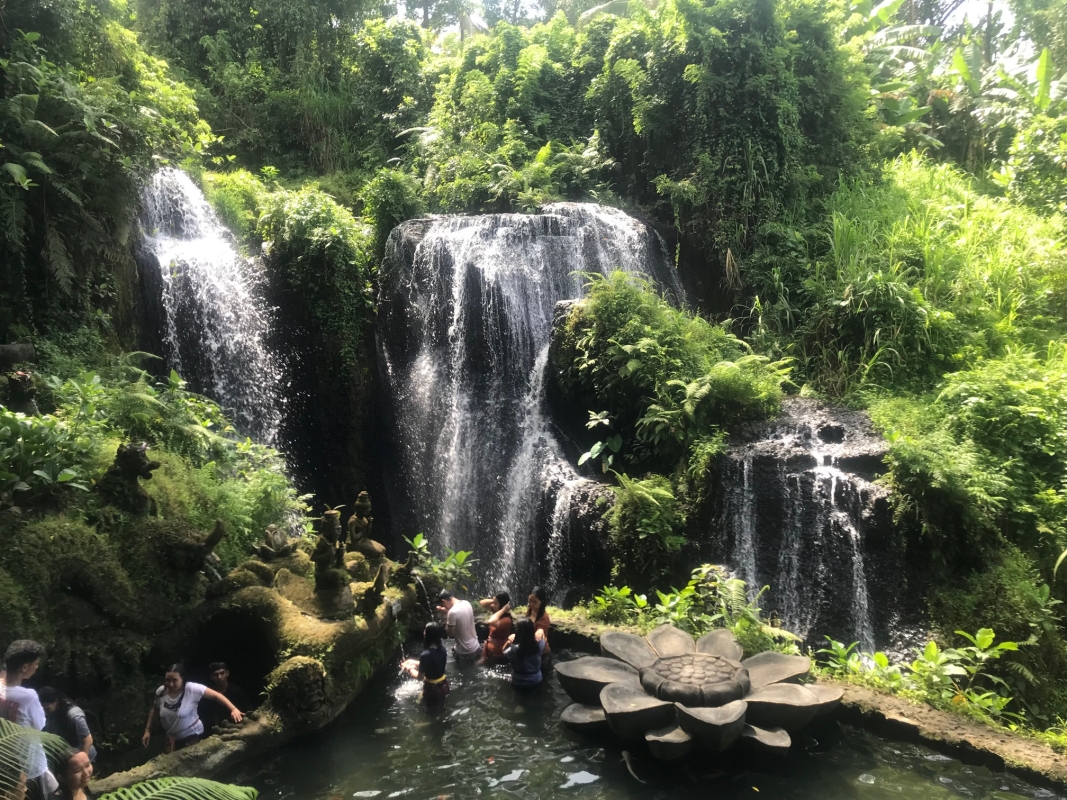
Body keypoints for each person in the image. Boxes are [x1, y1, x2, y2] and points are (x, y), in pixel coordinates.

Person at [141, 664, 243, 753]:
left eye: (174, 680)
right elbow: (155, 709)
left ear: (183, 679)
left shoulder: (192, 689)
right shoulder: (161, 691)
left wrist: (233, 709)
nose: (170, 684)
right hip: (171, 737)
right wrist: (147, 730)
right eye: (168, 680)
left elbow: (216, 696)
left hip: (192, 734)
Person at [2, 641, 56, 800]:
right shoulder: (28, 697)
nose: (37, 667)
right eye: (36, 664)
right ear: (24, 668)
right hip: (31, 765)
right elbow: (40, 726)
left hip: (9, 762)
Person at [37, 690, 95, 763]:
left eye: (47, 708)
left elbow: (88, 740)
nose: (45, 711)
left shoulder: (74, 715)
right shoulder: (51, 713)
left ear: (56, 702)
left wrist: (83, 762)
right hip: (67, 756)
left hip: (83, 754)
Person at [400, 623, 450, 709]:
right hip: (444, 685)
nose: (423, 632)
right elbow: (433, 663)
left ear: (428, 635)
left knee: (430, 712)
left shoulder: (425, 655)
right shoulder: (442, 649)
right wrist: (413, 662)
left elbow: (420, 677)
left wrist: (409, 668)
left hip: (432, 690)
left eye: (425, 631)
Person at [198, 663, 250, 735]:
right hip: (212, 730)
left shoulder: (236, 691)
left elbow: (247, 710)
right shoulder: (208, 694)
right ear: (211, 677)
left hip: (234, 728)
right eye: (216, 675)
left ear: (227, 673)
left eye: (222, 673)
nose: (219, 677)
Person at [436, 591, 480, 662]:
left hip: (464, 652)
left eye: (443, 605)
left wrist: (448, 617)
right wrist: (446, 611)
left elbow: (450, 634)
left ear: (444, 601)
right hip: (476, 647)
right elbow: (459, 616)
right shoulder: (466, 603)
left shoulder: (452, 612)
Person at [503, 618, 547, 688]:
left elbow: (504, 651)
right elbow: (544, 639)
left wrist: (508, 641)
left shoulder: (514, 648)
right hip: (536, 679)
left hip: (519, 681)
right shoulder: (539, 645)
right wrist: (541, 631)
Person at [478, 591, 513, 664]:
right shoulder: (497, 613)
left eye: (495, 603)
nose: (493, 605)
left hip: (499, 656)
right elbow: (482, 603)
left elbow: (491, 621)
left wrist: (503, 609)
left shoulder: (507, 620)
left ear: (502, 605)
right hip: (491, 654)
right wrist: (494, 600)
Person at [525, 586, 551, 660]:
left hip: (542, 654)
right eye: (529, 601)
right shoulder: (530, 610)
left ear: (542, 601)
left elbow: (540, 632)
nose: (531, 604)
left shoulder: (544, 617)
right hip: (531, 649)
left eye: (535, 602)